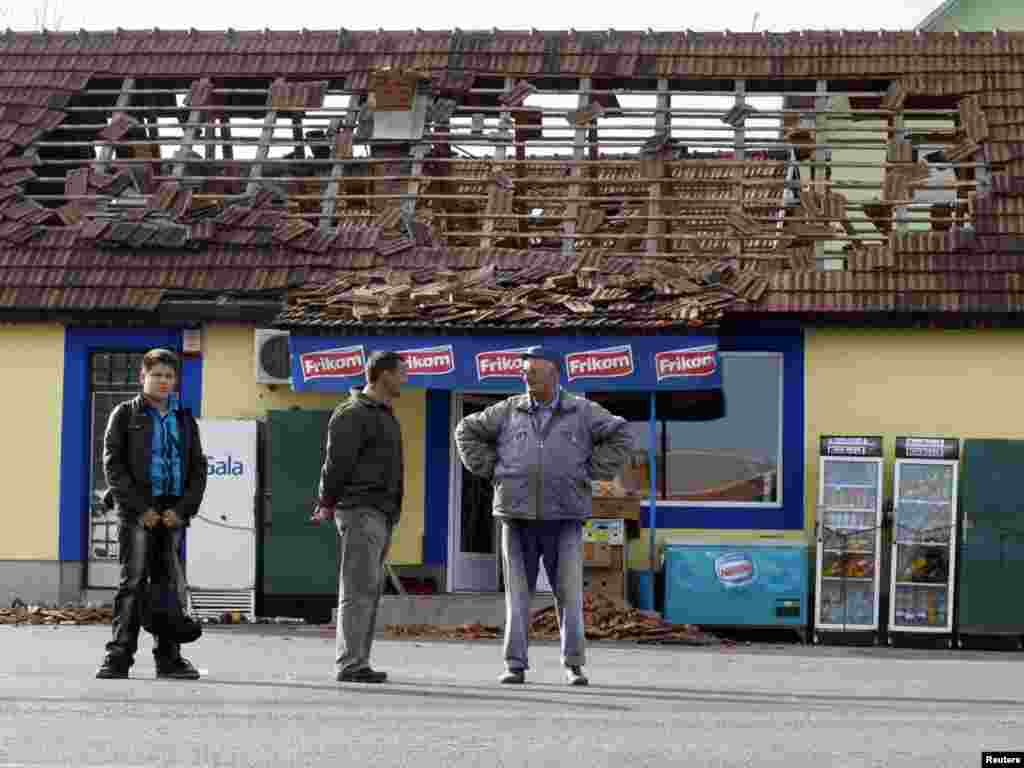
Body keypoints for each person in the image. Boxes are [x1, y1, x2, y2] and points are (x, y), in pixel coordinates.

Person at [454, 346, 633, 686]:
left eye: (533, 370)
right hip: (517, 515)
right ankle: (515, 665)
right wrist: (492, 469)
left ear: (554, 372)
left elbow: (621, 434)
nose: (526, 375)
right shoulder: (508, 410)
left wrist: (591, 470)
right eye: (524, 370)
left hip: (564, 517)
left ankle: (573, 664)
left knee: (568, 595)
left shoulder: (581, 411)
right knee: (517, 597)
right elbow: (465, 430)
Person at [96, 348, 208, 680]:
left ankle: (169, 659)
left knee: (168, 586)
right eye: (156, 375)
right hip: (137, 512)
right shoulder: (125, 414)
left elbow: (198, 468)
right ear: (142, 377)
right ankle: (118, 659)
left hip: (172, 511)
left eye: (169, 376)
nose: (162, 381)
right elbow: (113, 466)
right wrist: (139, 509)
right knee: (132, 583)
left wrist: (183, 510)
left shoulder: (184, 418)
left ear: (175, 382)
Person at [313, 351, 409, 684]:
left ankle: (359, 661)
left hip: (380, 513)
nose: (405, 379)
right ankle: (351, 663)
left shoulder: (383, 413)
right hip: (360, 510)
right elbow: (335, 463)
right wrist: (326, 502)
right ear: (383, 375)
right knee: (357, 588)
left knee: (369, 589)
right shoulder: (354, 413)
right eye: (401, 373)